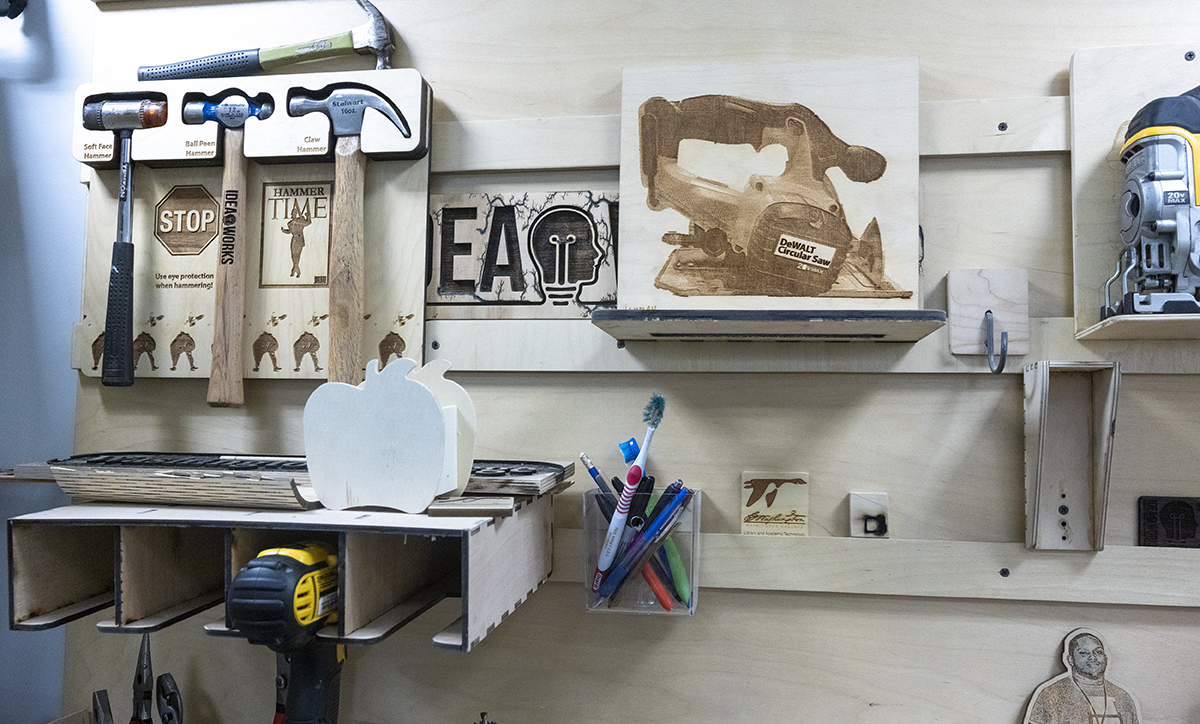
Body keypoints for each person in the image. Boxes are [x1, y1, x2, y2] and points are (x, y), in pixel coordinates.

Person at [1024, 629, 1141, 724]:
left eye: (1098, 652)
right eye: (1084, 653)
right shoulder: (1051, 694)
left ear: (1106, 658)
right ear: (1070, 660)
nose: (1093, 657)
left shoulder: (1123, 697)